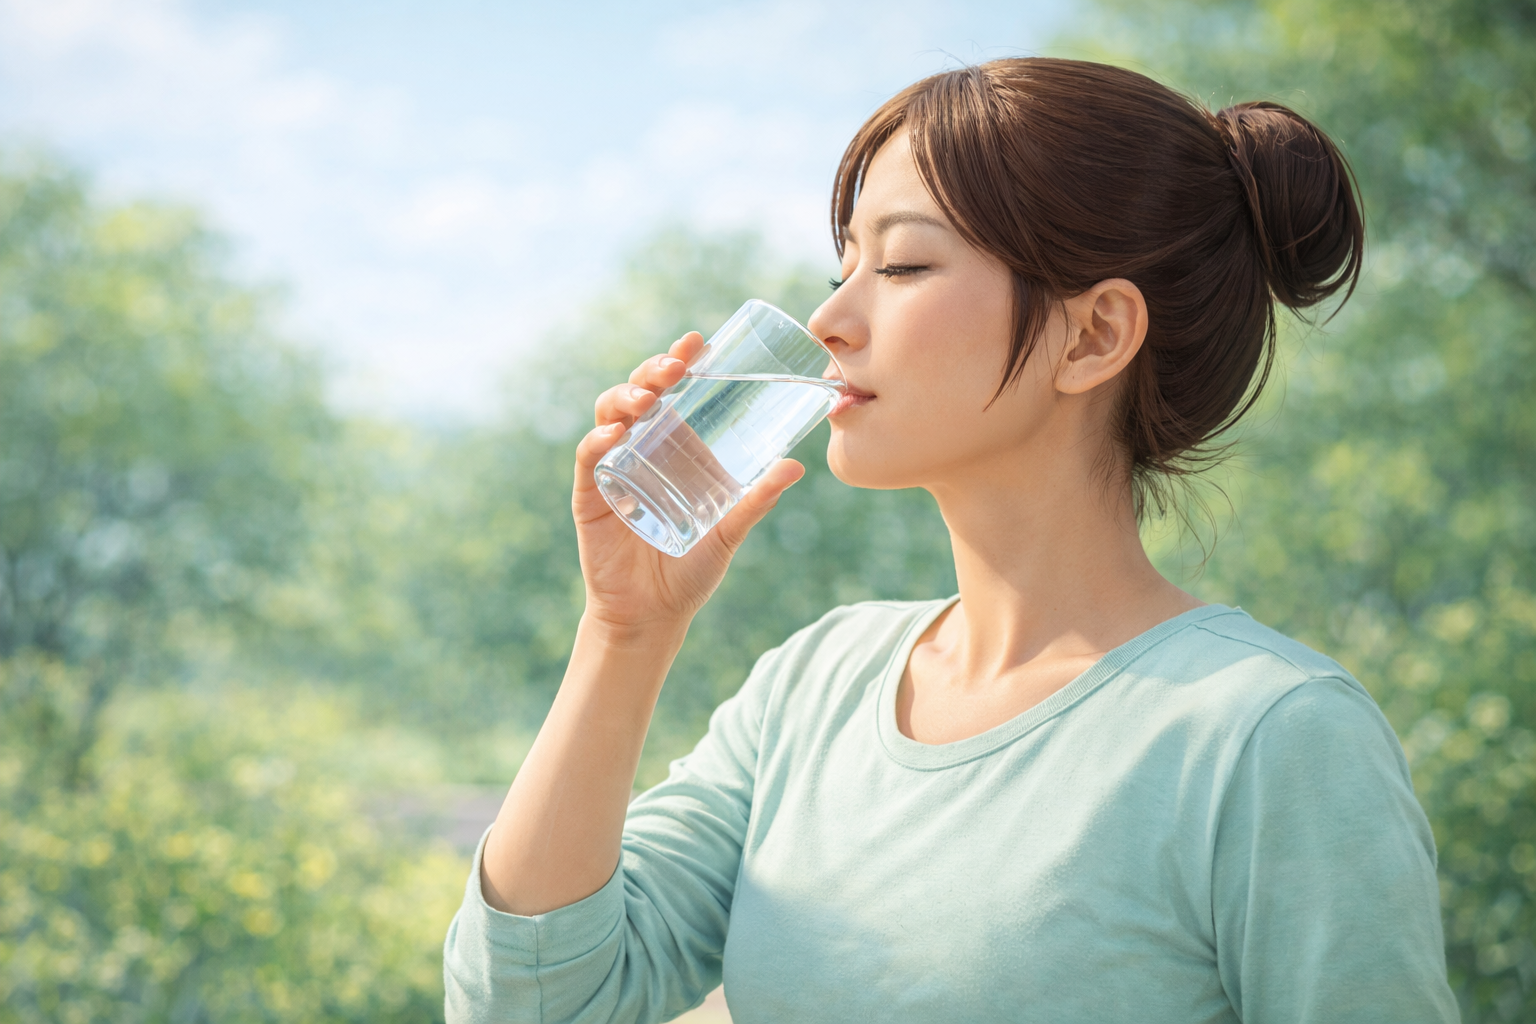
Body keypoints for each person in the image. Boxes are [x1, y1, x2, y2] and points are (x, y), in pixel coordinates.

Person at [443, 58, 1459, 1024]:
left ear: (1094, 335)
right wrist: (625, 633)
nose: (831, 318)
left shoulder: (1272, 738)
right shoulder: (814, 686)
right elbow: (531, 1001)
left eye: (902, 262)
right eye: (844, 262)